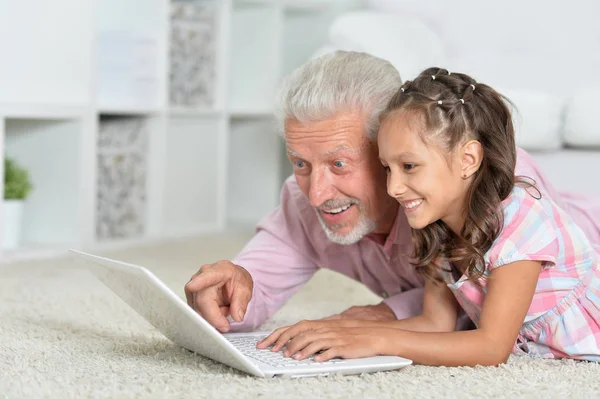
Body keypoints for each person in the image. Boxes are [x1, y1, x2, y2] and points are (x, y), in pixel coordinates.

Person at [184, 51, 600, 335]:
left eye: (339, 164)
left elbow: (492, 303)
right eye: (301, 163)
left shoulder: (488, 184)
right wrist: (229, 290)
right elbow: (248, 293)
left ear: (388, 148)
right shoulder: (301, 200)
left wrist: (388, 315)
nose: (317, 193)